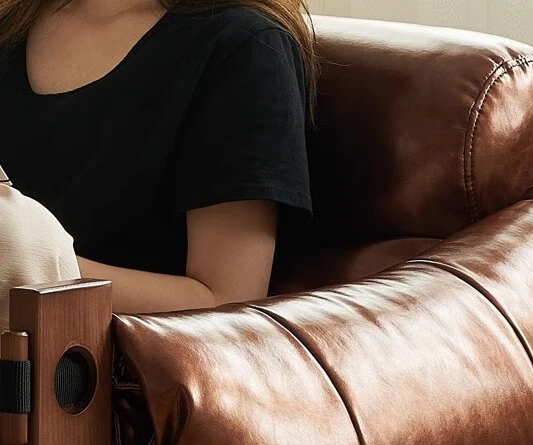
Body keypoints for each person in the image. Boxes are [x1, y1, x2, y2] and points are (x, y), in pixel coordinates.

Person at [0, 0, 314, 329]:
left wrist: (38, 266)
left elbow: (227, 305)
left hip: (101, 357)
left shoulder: (244, 47)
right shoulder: (11, 22)